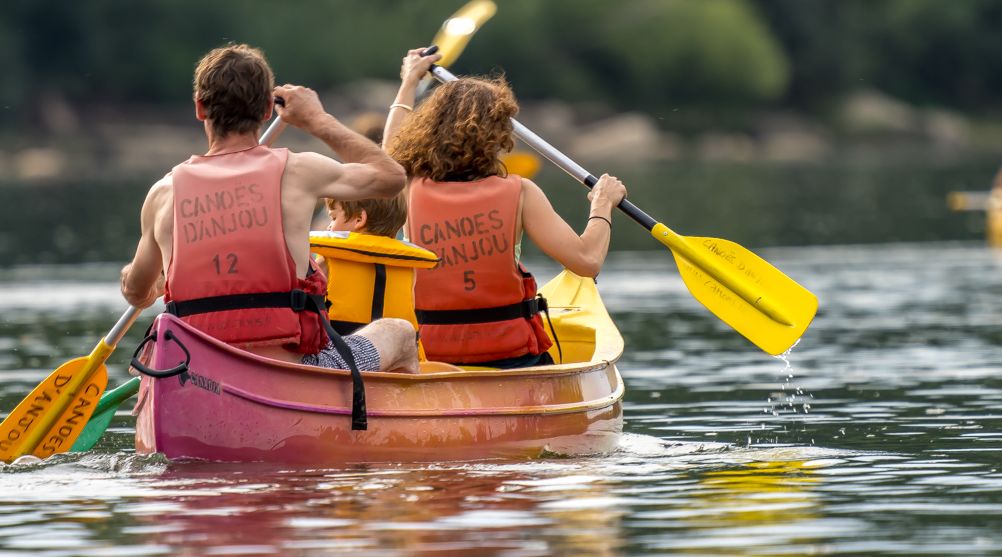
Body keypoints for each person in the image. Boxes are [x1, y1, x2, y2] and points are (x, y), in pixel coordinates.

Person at [119, 44, 421, 375]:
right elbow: (392, 178)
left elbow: (136, 292)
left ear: (200, 108)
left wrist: (145, 282)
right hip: (287, 371)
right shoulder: (299, 172)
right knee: (400, 333)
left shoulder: (164, 193)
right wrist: (316, 120)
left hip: (191, 371)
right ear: (267, 109)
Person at [382, 48, 625, 369]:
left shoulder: (409, 186)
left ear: (430, 128)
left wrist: (410, 80)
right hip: (511, 359)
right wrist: (603, 204)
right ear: (499, 135)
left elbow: (389, 152)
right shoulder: (521, 192)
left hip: (433, 358)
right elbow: (587, 261)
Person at [314, 190, 440, 340]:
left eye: (334, 218)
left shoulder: (327, 261)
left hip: (341, 353)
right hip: (392, 356)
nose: (329, 227)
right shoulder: (406, 267)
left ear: (359, 219)